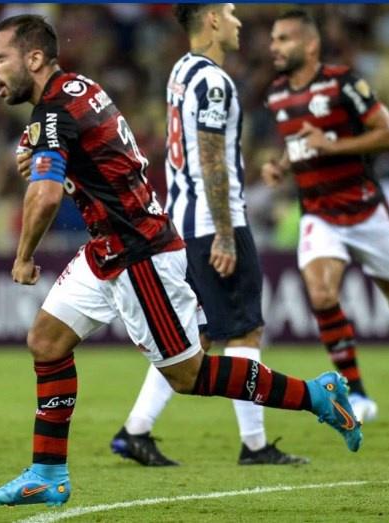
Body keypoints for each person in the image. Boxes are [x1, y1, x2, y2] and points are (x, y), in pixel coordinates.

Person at [0, 14, 362, 508]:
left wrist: (24, 255)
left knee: (189, 376)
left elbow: (48, 194)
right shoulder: (76, 89)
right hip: (107, 250)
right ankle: (47, 473)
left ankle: (317, 395)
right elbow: (78, 150)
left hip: (140, 254)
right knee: (47, 342)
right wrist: (40, 149)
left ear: (33, 59)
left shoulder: (52, 112)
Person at [110, 3, 307, 468]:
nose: (240, 23)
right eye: (232, 13)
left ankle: (134, 431)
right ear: (214, 19)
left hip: (181, 220)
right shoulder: (215, 82)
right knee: (244, 330)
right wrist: (223, 233)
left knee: (193, 341)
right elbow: (213, 160)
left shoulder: (181, 71)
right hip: (213, 223)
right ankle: (254, 445)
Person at [260, 10, 389, 423]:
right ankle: (359, 392)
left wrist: (331, 146)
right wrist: (280, 165)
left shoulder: (343, 83)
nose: (273, 47)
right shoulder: (277, 95)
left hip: (365, 210)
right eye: (274, 39)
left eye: (283, 39)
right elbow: (301, 144)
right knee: (320, 295)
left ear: (310, 45)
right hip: (318, 214)